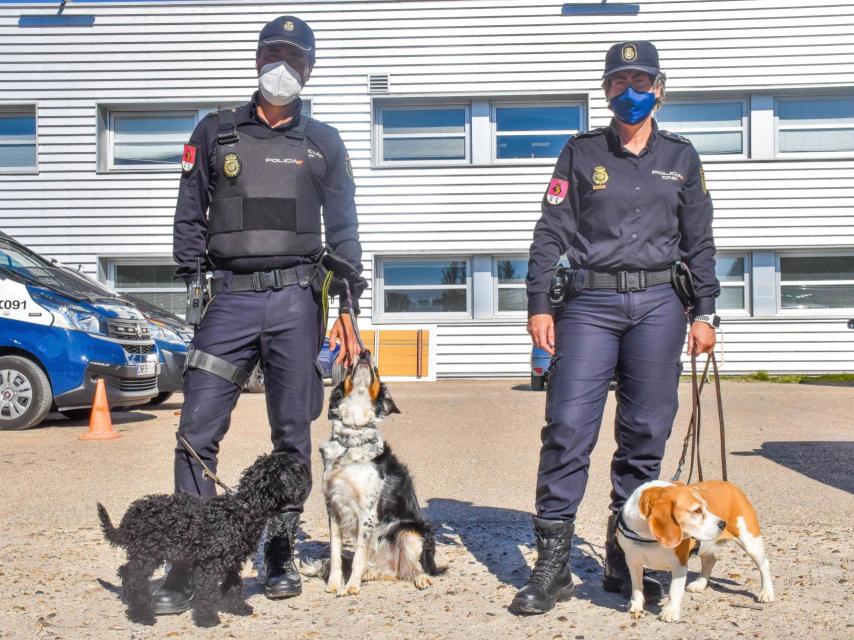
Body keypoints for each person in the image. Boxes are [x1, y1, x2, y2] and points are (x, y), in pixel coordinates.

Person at [158, 15, 364, 614]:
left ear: (310, 68)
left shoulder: (323, 142)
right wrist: (193, 288)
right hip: (228, 301)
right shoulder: (216, 132)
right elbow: (189, 214)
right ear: (256, 59)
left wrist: (349, 306)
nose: (284, 65)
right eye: (274, 53)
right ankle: (189, 560)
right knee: (196, 429)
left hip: (297, 301)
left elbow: (345, 230)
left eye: (296, 57)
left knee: (292, 434)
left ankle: (277, 548)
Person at [511, 41, 720, 615]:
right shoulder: (579, 154)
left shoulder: (682, 157)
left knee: (645, 435)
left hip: (658, 307)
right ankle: (551, 567)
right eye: (619, 81)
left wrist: (705, 311)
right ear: (605, 89)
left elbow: (699, 240)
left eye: (641, 81)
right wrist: (538, 305)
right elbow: (549, 232)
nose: (630, 92)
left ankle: (622, 554)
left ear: (659, 88)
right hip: (588, 306)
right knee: (568, 428)